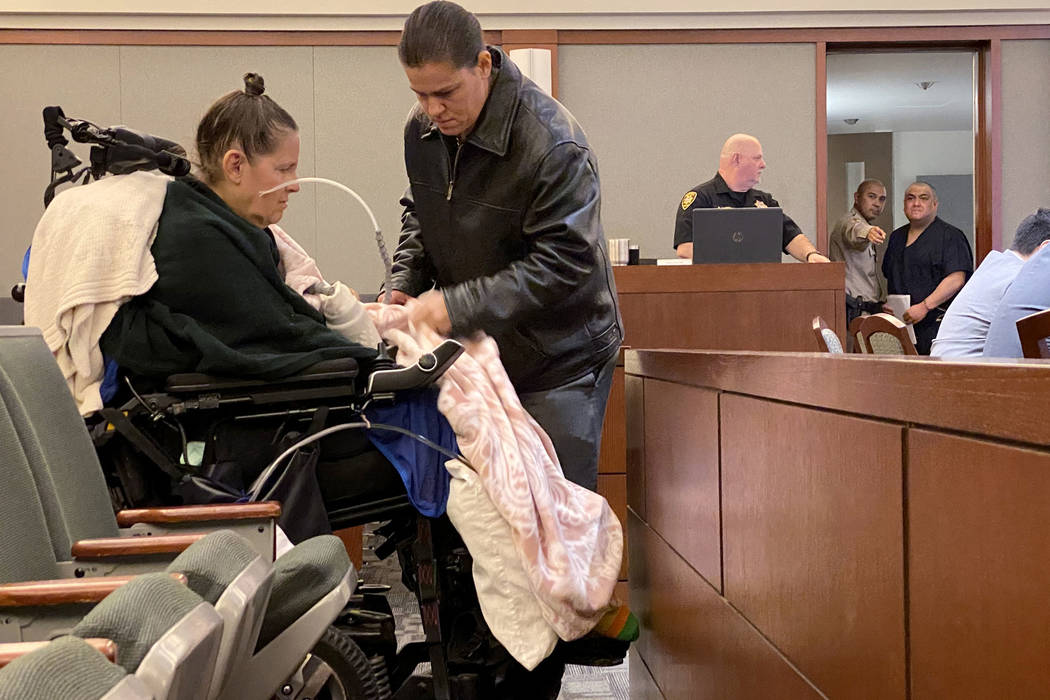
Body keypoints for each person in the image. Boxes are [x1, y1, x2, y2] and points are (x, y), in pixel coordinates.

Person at [386, 1, 622, 496]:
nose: (433, 109)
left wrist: (454, 304)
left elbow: (564, 265)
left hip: (560, 360)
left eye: (446, 92)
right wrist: (404, 283)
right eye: (420, 94)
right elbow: (422, 211)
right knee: (487, 514)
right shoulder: (423, 129)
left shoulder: (554, 143)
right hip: (480, 351)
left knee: (555, 512)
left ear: (484, 64)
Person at [100, 73, 378, 379]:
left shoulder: (229, 224)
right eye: (284, 169)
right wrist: (376, 361)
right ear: (235, 166)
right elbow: (276, 336)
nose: (294, 185)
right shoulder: (199, 237)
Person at [673, 133, 830, 263]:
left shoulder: (765, 202)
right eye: (757, 158)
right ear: (736, 159)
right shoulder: (700, 199)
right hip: (717, 289)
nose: (763, 165)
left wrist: (811, 255)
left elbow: (790, 236)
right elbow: (685, 249)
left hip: (761, 290)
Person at [931, 208, 1050, 358]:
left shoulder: (996, 266)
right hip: (970, 374)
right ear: (1045, 249)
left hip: (941, 370)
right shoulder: (1021, 278)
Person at [881, 181, 973, 355]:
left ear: (935, 205)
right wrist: (889, 305)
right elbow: (890, 276)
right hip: (900, 326)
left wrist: (924, 307)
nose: (916, 203)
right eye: (911, 198)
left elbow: (956, 279)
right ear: (904, 205)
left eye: (924, 198)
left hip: (936, 327)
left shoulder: (950, 236)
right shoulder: (896, 237)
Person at [982, 210, 1050, 358]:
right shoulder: (1015, 273)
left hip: (992, 372)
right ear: (1044, 246)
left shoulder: (997, 265)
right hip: (1021, 375)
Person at [829, 178, 888, 328]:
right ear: (857, 197)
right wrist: (868, 232)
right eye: (871, 196)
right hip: (852, 313)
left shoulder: (866, 224)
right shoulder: (848, 221)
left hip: (868, 312)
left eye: (882, 199)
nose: (877, 204)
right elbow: (854, 230)